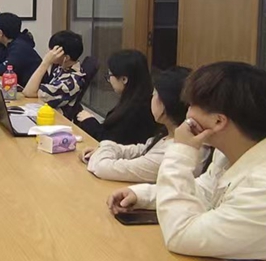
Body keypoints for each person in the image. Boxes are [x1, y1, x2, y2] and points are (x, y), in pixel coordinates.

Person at [108, 62, 266, 259]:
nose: (187, 113)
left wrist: (181, 150)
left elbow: (181, 235)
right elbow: (204, 192)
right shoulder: (229, 153)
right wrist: (143, 195)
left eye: (192, 106)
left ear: (218, 121)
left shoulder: (260, 186)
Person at [82, 67, 201, 183]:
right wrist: (105, 149)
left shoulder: (171, 152)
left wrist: (103, 151)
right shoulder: (170, 134)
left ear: (165, 103)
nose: (151, 99)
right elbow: (142, 149)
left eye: (154, 94)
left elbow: (103, 168)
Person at [76, 50, 156, 145]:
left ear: (124, 79)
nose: (109, 80)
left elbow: (112, 142)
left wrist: (90, 122)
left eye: (110, 75)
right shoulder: (138, 98)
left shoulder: (136, 110)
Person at [22, 30, 85, 111]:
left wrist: (45, 62)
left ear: (66, 58)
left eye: (53, 51)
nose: (50, 54)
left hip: (56, 116)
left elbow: (28, 92)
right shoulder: (63, 68)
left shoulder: (70, 83)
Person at [0, 13, 41, 87]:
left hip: (35, 89)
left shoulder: (19, 47)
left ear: (0, 33)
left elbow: (6, 69)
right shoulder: (9, 43)